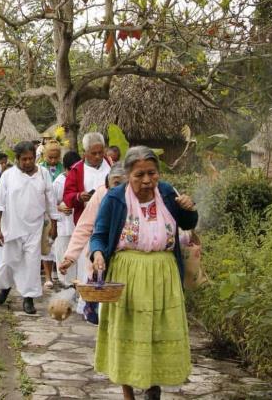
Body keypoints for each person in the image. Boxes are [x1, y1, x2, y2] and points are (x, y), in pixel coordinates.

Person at [90, 146, 198, 400]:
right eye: (140, 175)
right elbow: (99, 235)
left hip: (164, 274)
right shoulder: (116, 198)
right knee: (128, 334)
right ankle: (128, 392)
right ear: (128, 175)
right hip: (127, 277)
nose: (147, 180)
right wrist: (97, 254)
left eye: (152, 173)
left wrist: (189, 208)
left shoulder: (168, 193)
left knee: (158, 332)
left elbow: (188, 224)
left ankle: (153, 386)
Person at [0, 141, 55, 315]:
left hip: (34, 228)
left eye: (31, 158)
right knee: (7, 262)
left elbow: (51, 201)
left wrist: (54, 224)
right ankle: (5, 287)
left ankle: (29, 298)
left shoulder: (43, 174)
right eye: (24, 159)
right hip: (11, 227)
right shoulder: (8, 176)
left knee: (32, 264)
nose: (28, 162)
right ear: (17, 159)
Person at [60, 162, 126, 321]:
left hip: (128, 262)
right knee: (100, 312)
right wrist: (70, 257)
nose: (118, 188)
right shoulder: (102, 194)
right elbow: (85, 226)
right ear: (107, 181)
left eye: (123, 183)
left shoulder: (136, 197)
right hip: (101, 259)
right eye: (115, 183)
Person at [63, 132, 111, 224]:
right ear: (84, 152)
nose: (98, 156)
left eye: (100, 152)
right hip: (86, 222)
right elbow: (67, 196)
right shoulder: (76, 170)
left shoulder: (110, 164)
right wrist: (78, 197)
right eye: (93, 153)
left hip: (110, 218)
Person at [51, 151, 82, 287]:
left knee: (79, 258)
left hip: (78, 225)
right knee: (64, 254)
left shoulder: (81, 179)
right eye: (71, 170)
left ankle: (78, 284)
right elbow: (50, 204)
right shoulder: (59, 182)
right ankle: (67, 285)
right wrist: (60, 208)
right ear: (65, 168)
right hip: (64, 226)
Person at [40, 140, 64, 288]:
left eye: (56, 158)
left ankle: (58, 272)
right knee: (46, 243)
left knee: (60, 244)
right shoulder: (39, 170)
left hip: (62, 211)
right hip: (45, 211)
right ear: (44, 156)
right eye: (50, 158)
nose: (53, 161)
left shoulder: (64, 169)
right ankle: (48, 276)